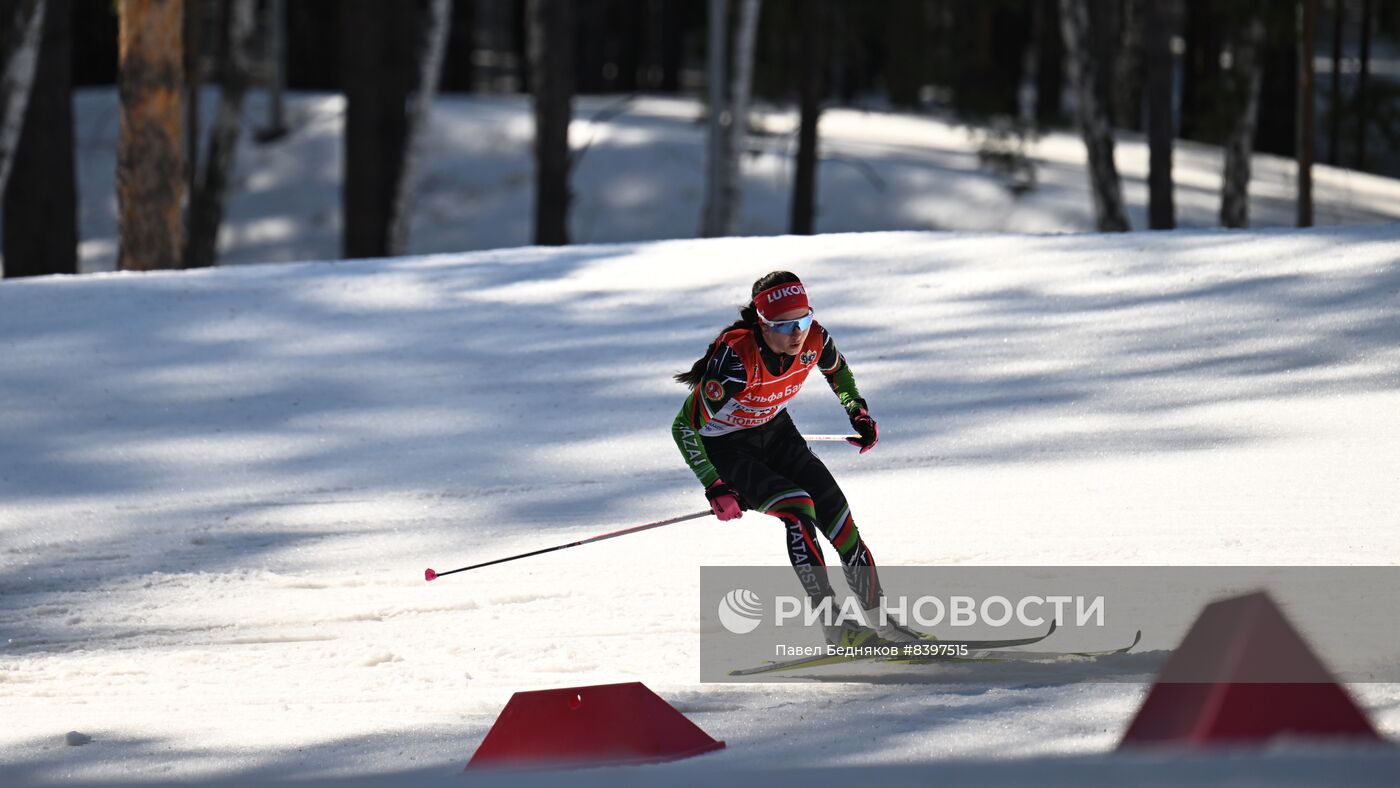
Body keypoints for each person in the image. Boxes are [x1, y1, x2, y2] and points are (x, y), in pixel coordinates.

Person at [671, 271, 916, 647]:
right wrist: (714, 484)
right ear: (762, 323)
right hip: (728, 448)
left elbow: (838, 371)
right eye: (784, 325)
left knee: (838, 516)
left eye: (802, 320)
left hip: (777, 432)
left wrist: (858, 412)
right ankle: (836, 627)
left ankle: (884, 624)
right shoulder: (737, 359)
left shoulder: (814, 338)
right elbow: (684, 427)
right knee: (797, 507)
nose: (796, 332)